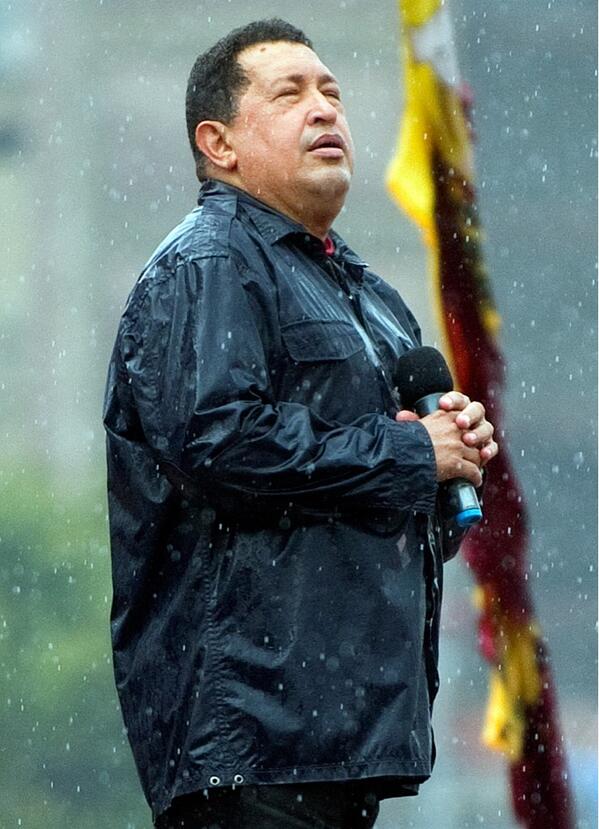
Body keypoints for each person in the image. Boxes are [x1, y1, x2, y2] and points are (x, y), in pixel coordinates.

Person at [103, 18, 497, 829]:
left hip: (339, 742)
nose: (324, 109)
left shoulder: (369, 296)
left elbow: (370, 503)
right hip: (250, 738)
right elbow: (221, 445)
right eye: (289, 94)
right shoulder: (208, 264)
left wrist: (447, 467)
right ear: (218, 143)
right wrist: (408, 451)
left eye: (332, 93)